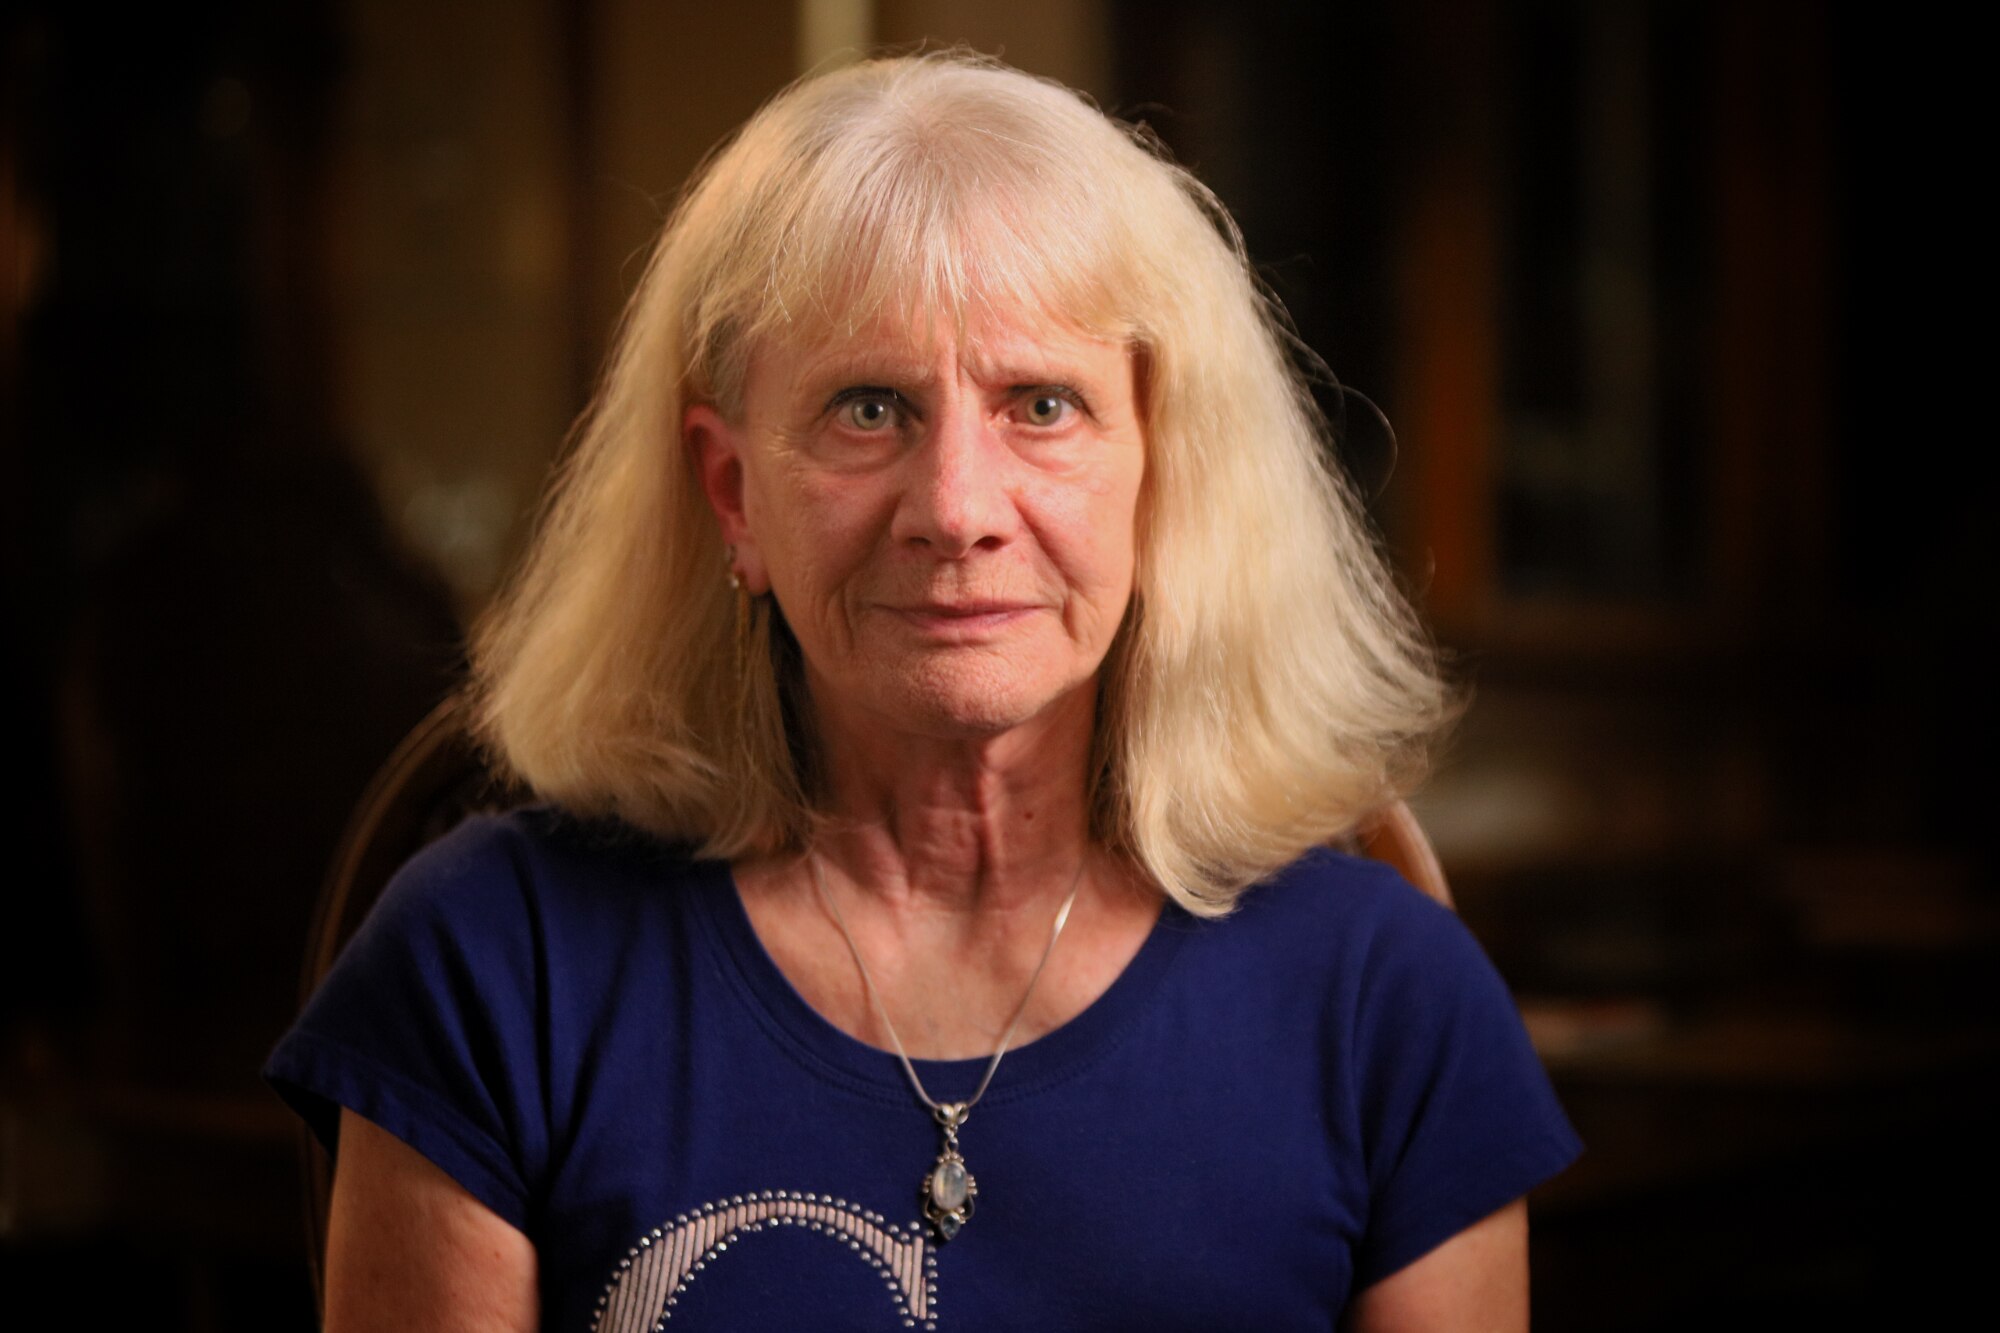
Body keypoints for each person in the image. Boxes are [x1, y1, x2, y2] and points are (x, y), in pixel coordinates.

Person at [268, 52, 1579, 1331]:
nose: (957, 509)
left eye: (1043, 404)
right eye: (869, 407)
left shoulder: (1386, 995)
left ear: (1161, 474)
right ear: (733, 495)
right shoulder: (493, 961)